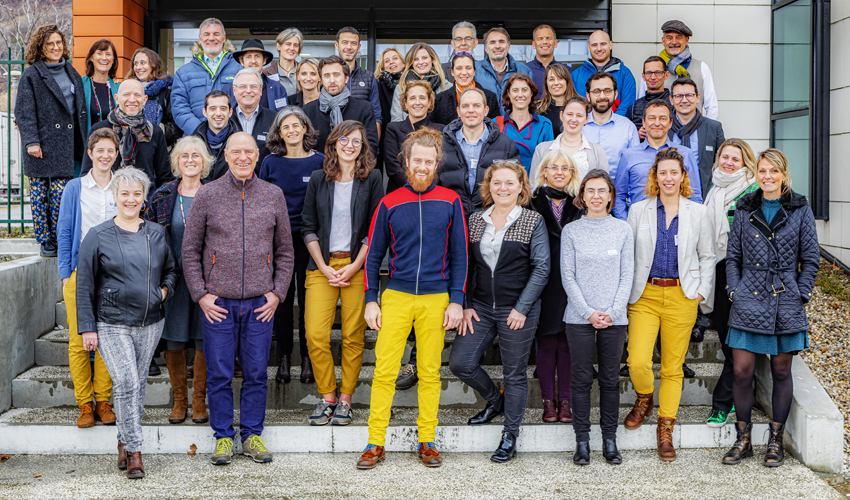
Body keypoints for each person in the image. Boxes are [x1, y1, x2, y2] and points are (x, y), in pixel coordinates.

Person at [181, 132, 295, 466]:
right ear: (226, 156)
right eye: (236, 152)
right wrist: (201, 295)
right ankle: (222, 437)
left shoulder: (273, 195)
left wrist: (276, 293)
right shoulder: (208, 194)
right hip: (218, 304)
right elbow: (190, 250)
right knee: (218, 373)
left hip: (261, 303)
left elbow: (285, 251)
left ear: (257, 156)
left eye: (249, 151)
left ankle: (252, 435)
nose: (243, 157)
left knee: (257, 372)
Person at [356, 127, 467, 469]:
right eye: (417, 160)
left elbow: (461, 256)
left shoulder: (451, 200)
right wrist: (371, 298)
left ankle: (428, 441)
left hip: (436, 299)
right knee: (385, 372)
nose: (422, 166)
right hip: (398, 296)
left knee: (430, 372)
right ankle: (375, 442)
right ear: (406, 161)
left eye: (429, 161)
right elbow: (373, 256)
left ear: (437, 164)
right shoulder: (389, 202)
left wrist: (456, 300)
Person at [76, 166, 178, 479]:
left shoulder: (157, 233)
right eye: (125, 193)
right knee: (126, 383)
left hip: (150, 322)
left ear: (143, 198)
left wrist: (162, 293)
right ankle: (135, 450)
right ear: (115, 196)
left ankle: (123, 439)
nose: (130, 199)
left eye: (137, 193)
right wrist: (87, 327)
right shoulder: (98, 235)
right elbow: (85, 285)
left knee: (136, 387)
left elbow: (171, 272)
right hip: (111, 322)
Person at [721, 148, 818, 467]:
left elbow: (811, 258)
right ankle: (743, 439)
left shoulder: (800, 207)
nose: (767, 177)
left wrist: (801, 292)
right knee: (741, 370)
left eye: (773, 171)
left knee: (780, 370)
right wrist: (734, 289)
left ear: (784, 174)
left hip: (785, 299)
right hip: (748, 296)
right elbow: (732, 256)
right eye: (762, 171)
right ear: (756, 173)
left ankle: (775, 440)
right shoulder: (745, 205)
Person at [450, 161, 549, 463]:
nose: (503, 188)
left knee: (514, 374)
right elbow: (464, 264)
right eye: (497, 182)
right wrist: (465, 304)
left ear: (521, 187)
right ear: (488, 186)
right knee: (460, 363)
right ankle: (495, 400)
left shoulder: (532, 220)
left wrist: (522, 307)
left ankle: (510, 434)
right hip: (479, 307)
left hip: (517, 309)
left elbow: (542, 267)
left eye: (510, 183)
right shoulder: (475, 219)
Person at [623, 147, 715, 462]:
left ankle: (665, 427)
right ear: (655, 176)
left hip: (682, 296)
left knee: (673, 368)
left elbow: (708, 256)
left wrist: (701, 292)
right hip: (645, 296)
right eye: (662, 172)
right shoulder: (639, 211)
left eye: (674, 172)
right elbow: (629, 256)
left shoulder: (698, 212)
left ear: (682, 176)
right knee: (637, 361)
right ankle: (644, 397)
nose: (668, 178)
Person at [301, 120, 383, 426]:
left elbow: (375, 228)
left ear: (363, 148)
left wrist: (356, 265)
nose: (350, 146)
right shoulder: (319, 179)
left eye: (357, 142)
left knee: (352, 335)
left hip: (356, 265)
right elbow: (308, 225)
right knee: (315, 334)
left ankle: (346, 398)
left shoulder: (372, 178)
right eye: (345, 140)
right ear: (334, 143)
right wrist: (323, 265)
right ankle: (328, 396)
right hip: (321, 266)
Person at [561, 169, 634, 465]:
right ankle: (582, 442)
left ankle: (609, 440)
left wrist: (613, 311)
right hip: (579, 318)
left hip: (614, 319)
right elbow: (568, 275)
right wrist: (589, 312)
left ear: (611, 196)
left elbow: (627, 274)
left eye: (601, 190)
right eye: (590, 190)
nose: (596, 196)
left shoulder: (623, 229)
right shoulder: (571, 231)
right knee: (580, 380)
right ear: (582, 196)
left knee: (609, 380)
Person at [145, 136, 215, 425]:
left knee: (202, 338)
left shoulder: (214, 193)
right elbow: (148, 235)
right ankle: (180, 401)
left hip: (208, 279)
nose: (190, 160)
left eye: (196, 155)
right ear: (176, 161)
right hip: (172, 278)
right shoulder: (163, 194)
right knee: (173, 338)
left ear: (205, 162)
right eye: (184, 155)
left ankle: (199, 401)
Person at [57, 129, 120, 429]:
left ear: (116, 154)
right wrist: (65, 274)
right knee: (78, 340)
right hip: (80, 273)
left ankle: (103, 400)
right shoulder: (75, 188)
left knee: (108, 338)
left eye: (111, 150)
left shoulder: (122, 186)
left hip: (114, 275)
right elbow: (65, 231)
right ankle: (84, 403)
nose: (105, 155)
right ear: (91, 153)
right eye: (100, 150)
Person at [259, 106, 325, 385]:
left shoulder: (321, 161)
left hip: (311, 241)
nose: (292, 130)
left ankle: (309, 359)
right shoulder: (270, 163)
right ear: (279, 132)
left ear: (306, 128)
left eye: (296, 125)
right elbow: (260, 201)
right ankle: (285, 358)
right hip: (278, 241)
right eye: (285, 127)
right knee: (282, 300)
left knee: (309, 302)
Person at [15, 23, 87, 257]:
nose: (56, 47)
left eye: (59, 43)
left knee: (59, 195)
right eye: (50, 44)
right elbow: (24, 111)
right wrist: (31, 142)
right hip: (42, 143)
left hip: (65, 143)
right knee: (38, 195)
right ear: (41, 47)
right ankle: (45, 241)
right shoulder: (32, 74)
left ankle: (59, 238)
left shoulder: (71, 71)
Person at [701, 139, 759, 429]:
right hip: (719, 271)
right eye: (725, 157)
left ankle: (722, 403)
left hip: (747, 275)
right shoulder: (715, 189)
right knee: (726, 338)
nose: (728, 163)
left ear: (746, 163)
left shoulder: (753, 190)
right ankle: (739, 390)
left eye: (735, 159)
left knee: (738, 340)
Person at [528, 149, 581, 424]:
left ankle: (566, 403)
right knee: (547, 342)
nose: (559, 172)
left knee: (568, 344)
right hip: (544, 281)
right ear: (544, 171)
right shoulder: (530, 202)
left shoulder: (580, 204)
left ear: (572, 173)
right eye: (553, 167)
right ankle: (548, 402)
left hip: (573, 281)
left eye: (565, 168)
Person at [613, 99, 702, 220]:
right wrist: (627, 224)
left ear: (670, 123)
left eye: (663, 118)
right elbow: (618, 196)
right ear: (643, 122)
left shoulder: (686, 154)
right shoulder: (629, 155)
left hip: (676, 223)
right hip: (639, 223)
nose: (657, 123)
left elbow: (695, 196)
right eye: (651, 118)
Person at [438, 88, 520, 217]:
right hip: (451, 218)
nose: (471, 110)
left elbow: (515, 188)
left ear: (486, 111)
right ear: (458, 111)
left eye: (476, 105)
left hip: (492, 220)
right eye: (465, 106)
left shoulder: (506, 145)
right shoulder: (441, 145)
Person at [81, 80, 172, 192]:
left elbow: (164, 178)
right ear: (117, 98)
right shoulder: (100, 129)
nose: (132, 99)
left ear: (145, 100)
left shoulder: (155, 132)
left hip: (144, 202)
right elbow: (86, 173)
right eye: (126, 94)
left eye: (137, 95)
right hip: (106, 201)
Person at [172, 18, 242, 136]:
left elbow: (244, 104)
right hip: (195, 139)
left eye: (216, 34)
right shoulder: (183, 73)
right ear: (200, 38)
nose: (211, 38)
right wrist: (201, 131)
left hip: (231, 138)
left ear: (224, 38)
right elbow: (179, 108)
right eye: (206, 34)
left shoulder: (239, 70)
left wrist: (229, 131)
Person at [639, 20, 718, 119]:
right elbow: (641, 104)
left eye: (679, 37)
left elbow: (712, 108)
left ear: (687, 40)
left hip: (694, 130)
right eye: (669, 38)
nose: (674, 42)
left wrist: (706, 132)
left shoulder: (702, 67)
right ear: (663, 41)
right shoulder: (651, 71)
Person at [303, 55, 379, 154]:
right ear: (321, 79)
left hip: (354, 168)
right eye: (326, 76)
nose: (332, 80)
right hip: (318, 168)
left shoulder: (364, 108)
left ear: (346, 78)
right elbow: (304, 146)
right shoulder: (308, 111)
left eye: (336, 75)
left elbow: (371, 147)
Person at [384, 81, 445, 193]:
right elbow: (392, 168)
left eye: (422, 98)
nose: (417, 102)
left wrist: (426, 187)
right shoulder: (393, 128)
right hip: (400, 192)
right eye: (412, 98)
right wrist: (416, 186)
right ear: (405, 103)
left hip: (431, 193)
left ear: (429, 102)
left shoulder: (441, 130)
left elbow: (442, 166)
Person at [668, 78, 725, 196]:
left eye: (689, 95)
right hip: (669, 196)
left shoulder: (713, 128)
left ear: (697, 97)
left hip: (704, 197)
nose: (684, 100)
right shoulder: (664, 128)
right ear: (671, 100)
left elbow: (723, 164)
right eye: (678, 96)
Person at [530, 96, 608, 181]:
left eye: (579, 115)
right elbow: (534, 185)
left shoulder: (598, 152)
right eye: (569, 114)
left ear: (586, 119)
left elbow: (603, 185)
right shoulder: (541, 149)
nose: (574, 119)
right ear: (561, 115)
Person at [582, 72, 640, 175]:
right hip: (583, 189)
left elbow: (635, 166)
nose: (602, 96)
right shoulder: (579, 126)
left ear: (616, 94)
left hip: (619, 190)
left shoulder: (628, 127)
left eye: (607, 91)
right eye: (596, 91)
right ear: (588, 96)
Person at [126, 47, 182, 147]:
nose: (138, 67)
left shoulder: (167, 90)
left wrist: (155, 130)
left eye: (143, 63)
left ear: (153, 65)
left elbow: (177, 126)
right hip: (131, 149)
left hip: (161, 149)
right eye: (136, 63)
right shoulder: (127, 89)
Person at [571, 31, 636, 117]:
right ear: (588, 47)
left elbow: (627, 106)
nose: (599, 48)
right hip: (584, 127)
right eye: (594, 45)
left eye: (603, 44)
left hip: (616, 127)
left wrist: (611, 123)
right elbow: (572, 105)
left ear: (610, 45)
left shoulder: (625, 74)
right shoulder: (576, 75)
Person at [497, 73, 554, 170]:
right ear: (509, 94)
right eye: (515, 90)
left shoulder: (544, 125)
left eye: (524, 90)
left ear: (531, 93)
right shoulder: (496, 123)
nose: (520, 95)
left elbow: (549, 161)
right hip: (506, 182)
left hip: (534, 182)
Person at [430, 52, 500, 125]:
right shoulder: (439, 99)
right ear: (452, 72)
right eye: (459, 68)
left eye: (468, 68)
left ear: (474, 71)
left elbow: (494, 128)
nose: (464, 72)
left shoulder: (490, 98)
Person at [474, 28, 532, 115]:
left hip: (515, 126)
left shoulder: (524, 71)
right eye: (492, 42)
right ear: (486, 49)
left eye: (501, 42)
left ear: (508, 47)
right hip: (483, 126)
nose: (497, 46)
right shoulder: (474, 70)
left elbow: (532, 104)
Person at [335, 27, 382, 133]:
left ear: (359, 47)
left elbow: (376, 116)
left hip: (361, 140)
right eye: (344, 42)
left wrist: (372, 147)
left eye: (353, 43)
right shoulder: (327, 76)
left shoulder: (369, 77)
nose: (349, 47)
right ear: (337, 45)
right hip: (333, 137)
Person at [223, 39, 289, 113]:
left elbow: (283, 117)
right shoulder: (228, 90)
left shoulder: (278, 89)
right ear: (242, 61)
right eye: (248, 57)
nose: (253, 61)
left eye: (257, 56)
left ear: (264, 61)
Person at [230, 68, 276, 170]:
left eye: (253, 86)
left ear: (260, 90)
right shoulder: (225, 120)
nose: (248, 90)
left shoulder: (275, 120)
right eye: (242, 86)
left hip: (265, 182)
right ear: (234, 90)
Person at [390, 43, 448, 122]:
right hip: (408, 133)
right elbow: (396, 120)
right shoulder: (401, 87)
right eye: (416, 59)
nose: (421, 62)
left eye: (424, 58)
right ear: (411, 63)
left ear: (432, 59)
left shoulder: (447, 86)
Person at [193, 91, 239, 180]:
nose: (218, 113)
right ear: (204, 112)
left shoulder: (241, 141)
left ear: (230, 112)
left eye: (223, 108)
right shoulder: (193, 142)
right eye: (213, 108)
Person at [81, 39, 120, 136]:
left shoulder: (119, 87)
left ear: (114, 59)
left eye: (108, 54)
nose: (104, 58)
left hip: (114, 146)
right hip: (89, 145)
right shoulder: (80, 84)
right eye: (99, 53)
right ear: (91, 57)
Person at [627, 56, 671, 137]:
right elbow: (626, 136)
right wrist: (637, 136)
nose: (653, 77)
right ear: (643, 76)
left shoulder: (675, 104)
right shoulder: (634, 107)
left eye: (658, 73)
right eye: (648, 73)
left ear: (666, 75)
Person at [537, 63, 579, 136]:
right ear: (546, 83)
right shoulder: (537, 110)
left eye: (560, 78)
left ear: (567, 81)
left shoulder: (580, 106)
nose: (556, 83)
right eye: (551, 79)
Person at [526, 25, 563, 100]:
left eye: (548, 38)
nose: (545, 42)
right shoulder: (524, 70)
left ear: (555, 43)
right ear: (534, 44)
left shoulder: (567, 71)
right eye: (540, 39)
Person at [263, 28, 304, 96]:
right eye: (288, 44)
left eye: (296, 45)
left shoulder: (305, 71)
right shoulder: (265, 73)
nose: (292, 48)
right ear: (278, 46)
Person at [375, 48, 405, 130]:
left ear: (403, 63)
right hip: (387, 133)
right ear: (383, 67)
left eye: (395, 58)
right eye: (387, 61)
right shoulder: (378, 86)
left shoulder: (412, 83)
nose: (391, 62)